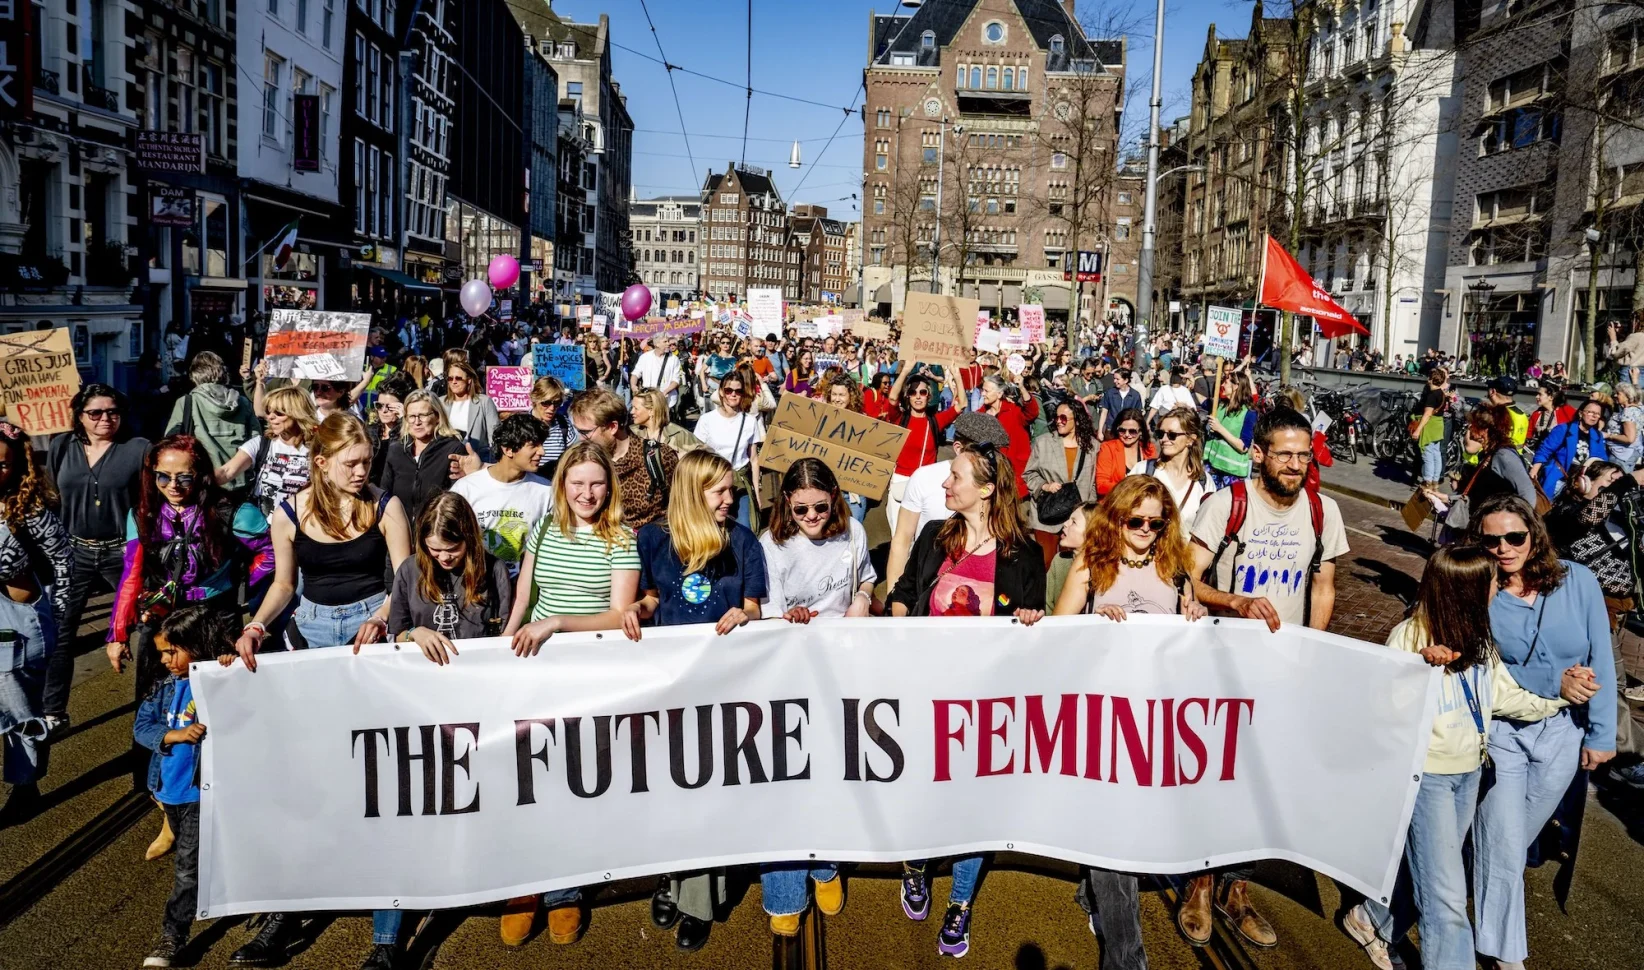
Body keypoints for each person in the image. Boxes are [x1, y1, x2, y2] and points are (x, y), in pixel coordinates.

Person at [1342, 545, 1592, 970]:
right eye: (1493, 581)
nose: (1501, 586)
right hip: (1428, 779)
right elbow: (1381, 710)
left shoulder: (1477, 632)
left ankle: (1371, 918)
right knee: (1447, 899)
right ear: (1468, 588)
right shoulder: (1411, 636)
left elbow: (1501, 695)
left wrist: (1557, 698)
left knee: (1437, 873)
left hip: (1468, 773)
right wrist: (1420, 669)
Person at [225, 415, 413, 970]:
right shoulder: (288, 513)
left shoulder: (386, 507)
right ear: (321, 462)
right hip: (309, 635)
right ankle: (284, 915)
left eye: (367, 461)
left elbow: (405, 581)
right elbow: (284, 584)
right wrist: (256, 626)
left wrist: (382, 618)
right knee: (307, 782)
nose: (362, 471)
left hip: (369, 638)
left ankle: (386, 934)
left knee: (380, 780)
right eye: (350, 463)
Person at [1180, 408, 1348, 949]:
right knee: (1215, 775)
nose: (1296, 465)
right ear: (1258, 454)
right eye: (1285, 454)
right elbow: (1188, 578)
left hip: (1280, 674)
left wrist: (1311, 650)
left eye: (1304, 455)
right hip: (1222, 667)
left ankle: (1238, 888)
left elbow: (1323, 587)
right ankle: (1201, 884)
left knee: (1259, 783)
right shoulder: (1225, 506)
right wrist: (1236, 601)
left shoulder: (1324, 512)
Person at [885, 443, 1046, 958]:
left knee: (974, 802)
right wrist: (898, 632)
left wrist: (1030, 620)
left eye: (955, 477)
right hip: (924, 692)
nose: (944, 485)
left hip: (984, 705)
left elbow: (1035, 623)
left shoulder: (1023, 554)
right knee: (921, 790)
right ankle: (917, 864)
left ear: (987, 489)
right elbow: (905, 592)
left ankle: (959, 902)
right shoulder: (936, 535)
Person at [620, 450, 767, 953]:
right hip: (669, 683)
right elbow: (655, 596)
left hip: (724, 686)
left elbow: (751, 605)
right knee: (668, 789)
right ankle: (670, 878)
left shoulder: (743, 541)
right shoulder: (653, 539)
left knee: (707, 792)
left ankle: (698, 901)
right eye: (720, 491)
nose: (732, 499)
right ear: (691, 493)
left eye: (732, 490)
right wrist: (637, 608)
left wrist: (746, 617)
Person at [1466, 495, 1615, 970]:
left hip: (1563, 735)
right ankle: (1505, 956)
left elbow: (1601, 660)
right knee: (1504, 848)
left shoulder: (1578, 581)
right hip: (1503, 731)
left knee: (1498, 846)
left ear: (1534, 535)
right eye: (1492, 540)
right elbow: (1482, 671)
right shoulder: (1478, 592)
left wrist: (1601, 733)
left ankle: (1386, 911)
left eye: (1515, 537)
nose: (1504, 549)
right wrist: (1556, 682)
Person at [756, 458, 872, 938]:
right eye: (800, 508)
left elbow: (864, 579)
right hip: (789, 674)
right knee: (785, 778)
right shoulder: (772, 545)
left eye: (820, 507)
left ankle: (825, 863)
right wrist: (787, 620)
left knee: (832, 772)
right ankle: (783, 890)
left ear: (836, 499)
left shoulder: (854, 535)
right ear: (787, 503)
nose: (811, 517)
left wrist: (863, 599)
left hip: (841, 668)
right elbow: (765, 614)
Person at [42, 386, 149, 732]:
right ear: (79, 416)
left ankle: (150, 704)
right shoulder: (62, 446)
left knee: (149, 625)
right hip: (75, 552)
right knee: (60, 631)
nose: (106, 419)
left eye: (113, 412)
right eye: (96, 413)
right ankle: (53, 709)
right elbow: (49, 496)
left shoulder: (137, 449)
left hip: (122, 552)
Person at [133, 607, 234, 968]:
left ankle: (172, 936)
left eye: (172, 651)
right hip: (168, 790)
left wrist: (230, 665)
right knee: (198, 857)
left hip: (199, 792)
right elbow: (141, 727)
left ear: (197, 645)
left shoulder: (220, 676)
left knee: (186, 867)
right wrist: (172, 735)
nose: (165, 660)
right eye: (162, 652)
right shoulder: (162, 687)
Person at [884, 411, 1012, 593]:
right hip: (928, 587)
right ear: (959, 448)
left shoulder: (996, 483)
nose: (992, 460)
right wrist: (893, 597)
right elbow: (902, 540)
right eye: (984, 452)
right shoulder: (924, 478)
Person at [1054, 475, 1207, 621]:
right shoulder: (1090, 562)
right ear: (1116, 518)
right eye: (1136, 521)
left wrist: (1198, 614)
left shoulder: (1175, 565)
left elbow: (1191, 635)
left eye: (1156, 523)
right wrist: (1095, 621)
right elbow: (1060, 628)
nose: (1145, 529)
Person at [388, 492, 513, 661]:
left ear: (469, 538)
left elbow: (504, 633)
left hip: (478, 666)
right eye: (435, 550)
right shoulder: (409, 570)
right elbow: (397, 635)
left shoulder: (494, 569)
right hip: (423, 669)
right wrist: (414, 633)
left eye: (452, 549)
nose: (444, 557)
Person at [0, 514, 60, 825]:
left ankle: (25, 788)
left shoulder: (24, 514)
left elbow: (56, 565)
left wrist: (60, 618)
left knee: (20, 717)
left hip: (12, 632)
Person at [447, 415, 553, 576]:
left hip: (524, 587)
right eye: (533, 446)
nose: (542, 452)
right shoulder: (466, 489)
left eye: (542, 445)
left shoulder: (546, 491)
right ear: (508, 449)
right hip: (477, 585)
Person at [569, 390, 679, 530]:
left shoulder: (658, 457)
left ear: (612, 427)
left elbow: (681, 506)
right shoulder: (582, 461)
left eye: (586, 432)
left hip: (647, 547)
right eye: (578, 431)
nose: (580, 439)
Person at [214, 385, 318, 515]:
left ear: (297, 413)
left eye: (279, 413)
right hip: (263, 527)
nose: (271, 417)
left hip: (301, 525)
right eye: (268, 412)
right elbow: (227, 471)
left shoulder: (318, 448)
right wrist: (197, 481)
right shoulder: (261, 444)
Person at [165, 352, 258, 494]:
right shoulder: (243, 402)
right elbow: (256, 441)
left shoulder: (187, 403)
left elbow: (171, 443)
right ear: (222, 372)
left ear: (195, 375)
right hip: (241, 485)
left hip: (203, 484)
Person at [884, 370, 962, 536]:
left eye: (923, 392)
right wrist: (906, 370)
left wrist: (957, 375)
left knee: (921, 537)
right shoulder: (900, 418)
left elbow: (961, 404)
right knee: (899, 536)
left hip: (925, 484)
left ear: (929, 396)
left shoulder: (935, 421)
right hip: (901, 480)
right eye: (913, 392)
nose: (918, 396)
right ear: (908, 396)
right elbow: (892, 399)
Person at [1024, 399, 1100, 565]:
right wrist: (1044, 486)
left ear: (1077, 420)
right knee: (1045, 563)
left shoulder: (1093, 446)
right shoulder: (1043, 442)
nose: (1058, 421)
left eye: (1064, 418)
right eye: (1056, 417)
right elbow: (1029, 474)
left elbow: (1094, 482)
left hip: (1076, 517)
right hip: (1047, 514)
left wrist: (1090, 512)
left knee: (1072, 564)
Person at [377, 390, 468, 525]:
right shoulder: (396, 450)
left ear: (437, 416)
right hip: (399, 529)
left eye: (423, 415)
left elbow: (457, 499)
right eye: (412, 416)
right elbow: (385, 494)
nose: (417, 422)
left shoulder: (453, 450)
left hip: (436, 530)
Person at [693, 371, 764, 530]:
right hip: (714, 482)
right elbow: (697, 455)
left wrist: (757, 494)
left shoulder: (750, 421)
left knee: (745, 529)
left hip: (739, 483)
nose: (733, 394)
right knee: (713, 529)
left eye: (738, 391)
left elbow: (753, 459)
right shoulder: (707, 420)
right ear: (721, 392)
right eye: (728, 390)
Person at [1128, 407, 1214, 531]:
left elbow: (1208, 528)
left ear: (1190, 439)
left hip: (1185, 549)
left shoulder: (1203, 482)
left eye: (1172, 435)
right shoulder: (1143, 471)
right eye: (1160, 433)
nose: (1164, 439)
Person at [976, 373, 1039, 497]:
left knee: (1013, 513)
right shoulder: (980, 415)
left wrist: (1021, 387)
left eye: (986, 391)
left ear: (999, 394)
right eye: (982, 390)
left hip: (1014, 477)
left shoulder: (1013, 411)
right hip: (989, 476)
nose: (982, 394)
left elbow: (1032, 412)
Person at [1531, 397, 1608, 497]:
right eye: (1590, 412)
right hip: (1559, 479)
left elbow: (1602, 461)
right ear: (1580, 413)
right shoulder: (1564, 429)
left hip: (1580, 484)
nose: (1594, 416)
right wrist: (1534, 471)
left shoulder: (1597, 436)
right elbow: (1545, 450)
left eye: (1597, 414)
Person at [1204, 372, 1258, 488]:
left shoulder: (1249, 412)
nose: (1222, 385)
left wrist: (1220, 429)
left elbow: (1243, 447)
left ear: (1236, 386)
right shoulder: (1219, 406)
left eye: (1226, 382)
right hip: (1212, 465)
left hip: (1231, 471)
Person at [439, 360, 501, 458]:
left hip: (477, 458)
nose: (454, 382)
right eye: (450, 378)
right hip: (447, 458)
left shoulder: (484, 402)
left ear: (469, 380)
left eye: (458, 378)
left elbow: (494, 436)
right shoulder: (440, 402)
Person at [1045, 501, 1100, 609]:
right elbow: (1047, 604)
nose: (1065, 524)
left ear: (1092, 531)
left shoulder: (1105, 567)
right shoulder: (1060, 560)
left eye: (1073, 522)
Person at [1095, 408, 1156, 498]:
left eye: (1132, 431)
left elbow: (1154, 481)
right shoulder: (1108, 448)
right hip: (1115, 503)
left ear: (1141, 432)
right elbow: (1101, 486)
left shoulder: (1149, 449)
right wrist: (1132, 487)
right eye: (1122, 430)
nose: (1127, 435)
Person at [528, 376, 580, 481]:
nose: (551, 408)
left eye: (557, 403)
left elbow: (574, 455)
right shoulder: (522, 425)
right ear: (535, 399)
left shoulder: (563, 424)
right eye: (546, 403)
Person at [366, 374, 415, 483]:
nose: (383, 411)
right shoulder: (370, 431)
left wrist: (404, 420)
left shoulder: (411, 432)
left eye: (390, 407)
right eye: (379, 405)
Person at [631, 388, 703, 455]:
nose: (631, 412)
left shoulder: (678, 435)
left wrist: (684, 460)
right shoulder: (632, 433)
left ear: (651, 411)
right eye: (632, 407)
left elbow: (708, 457)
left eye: (636, 408)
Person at [1411, 368, 1451, 487]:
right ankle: (1435, 481)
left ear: (1431, 379)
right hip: (1439, 425)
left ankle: (1427, 481)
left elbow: (1427, 414)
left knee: (1427, 454)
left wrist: (1418, 430)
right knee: (1436, 453)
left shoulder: (1432, 396)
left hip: (1430, 426)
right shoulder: (1442, 393)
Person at [632, 335, 685, 414]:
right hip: (648, 399)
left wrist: (665, 392)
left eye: (668, 341)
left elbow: (676, 380)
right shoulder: (645, 357)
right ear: (657, 344)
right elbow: (635, 374)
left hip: (666, 400)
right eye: (665, 342)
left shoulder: (674, 359)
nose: (668, 344)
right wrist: (633, 385)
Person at [1604, 382, 1644, 471]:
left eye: (1618, 393)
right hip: (1631, 453)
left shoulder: (1628, 412)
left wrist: (1608, 436)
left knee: (1616, 482)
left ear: (1627, 396)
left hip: (1621, 455)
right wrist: (1635, 380)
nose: (1615, 395)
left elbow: (1629, 438)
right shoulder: (1639, 408)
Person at [1096, 368, 1142, 438]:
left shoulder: (1135, 395)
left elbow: (1138, 415)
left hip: (1127, 432)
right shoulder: (1110, 393)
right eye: (1114, 378)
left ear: (1126, 380)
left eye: (1117, 379)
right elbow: (1104, 412)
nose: (1114, 381)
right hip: (1111, 430)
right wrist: (1100, 431)